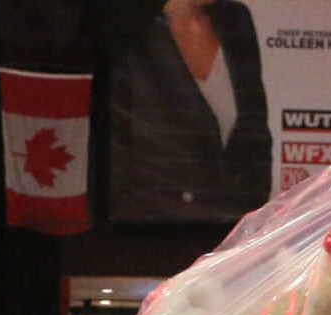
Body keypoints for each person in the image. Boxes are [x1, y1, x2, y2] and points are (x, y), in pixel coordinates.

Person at [108, 0, 272, 223]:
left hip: (231, 238)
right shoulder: (125, 31)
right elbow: (117, 165)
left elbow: (255, 136)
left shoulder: (235, 20)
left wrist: (248, 230)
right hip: (152, 235)